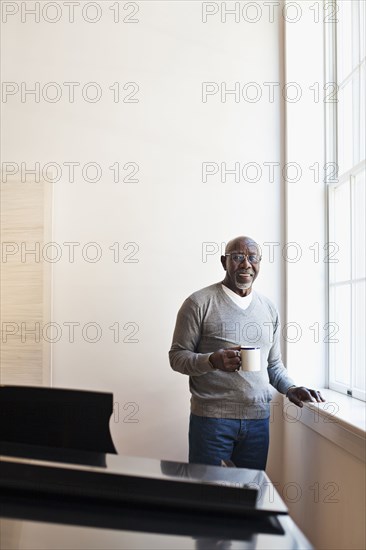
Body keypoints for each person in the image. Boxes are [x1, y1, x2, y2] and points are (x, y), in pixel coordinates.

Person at [169, 235, 325, 470]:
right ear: (224, 262)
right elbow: (177, 357)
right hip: (212, 421)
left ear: (259, 263)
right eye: (237, 257)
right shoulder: (198, 303)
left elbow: (272, 365)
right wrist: (213, 360)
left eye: (253, 258)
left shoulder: (268, 308)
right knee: (207, 495)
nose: (245, 264)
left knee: (251, 496)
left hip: (257, 422)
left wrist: (291, 388)